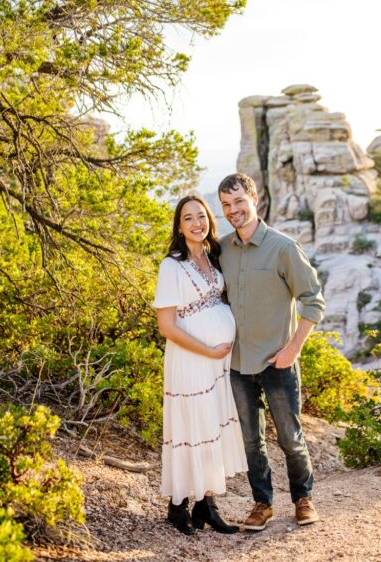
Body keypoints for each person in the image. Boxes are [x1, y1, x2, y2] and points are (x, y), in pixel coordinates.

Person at [217, 172, 325, 530]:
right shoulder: (222, 250)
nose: (233, 210)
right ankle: (262, 504)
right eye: (226, 205)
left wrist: (293, 349)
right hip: (237, 364)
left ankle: (303, 499)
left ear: (255, 199)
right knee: (251, 440)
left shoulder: (283, 247)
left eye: (239, 202)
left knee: (290, 438)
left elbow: (313, 301)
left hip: (278, 361)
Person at [153, 195, 246, 535]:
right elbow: (167, 326)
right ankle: (178, 507)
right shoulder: (172, 266)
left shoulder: (213, 256)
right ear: (179, 227)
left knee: (212, 427)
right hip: (192, 359)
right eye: (188, 218)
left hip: (217, 363)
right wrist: (207, 349)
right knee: (191, 427)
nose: (197, 222)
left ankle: (206, 505)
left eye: (201, 216)